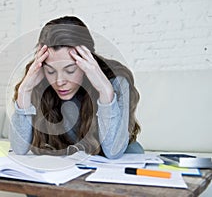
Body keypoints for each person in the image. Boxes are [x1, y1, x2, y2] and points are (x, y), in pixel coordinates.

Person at [10, 16, 144, 159]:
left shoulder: (116, 80)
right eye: (51, 71)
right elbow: (19, 148)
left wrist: (105, 91)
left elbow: (113, 151)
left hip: (116, 167)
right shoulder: (39, 79)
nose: (59, 81)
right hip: (71, 168)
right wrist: (24, 90)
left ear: (87, 61)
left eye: (70, 70)